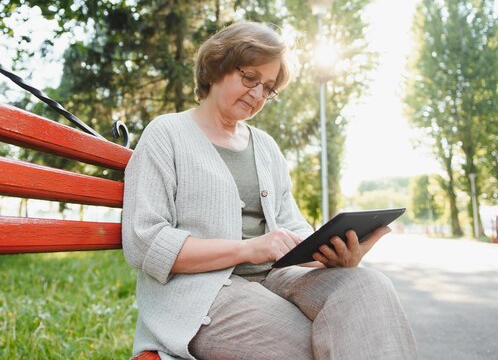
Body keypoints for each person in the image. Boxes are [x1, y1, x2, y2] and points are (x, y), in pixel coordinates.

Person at [122, 21, 417, 360]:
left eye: (268, 88)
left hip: (277, 280)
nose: (258, 94)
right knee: (335, 339)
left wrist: (333, 256)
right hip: (204, 293)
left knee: (368, 288)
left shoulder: (265, 146)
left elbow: (293, 228)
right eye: (250, 78)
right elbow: (144, 244)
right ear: (218, 64)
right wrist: (247, 249)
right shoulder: (167, 134)